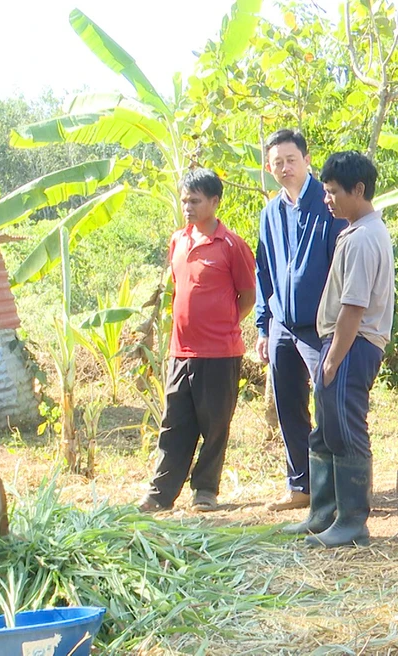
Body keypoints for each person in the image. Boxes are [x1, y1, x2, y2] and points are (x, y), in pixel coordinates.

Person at [284, 151, 394, 547]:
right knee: (326, 430)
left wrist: (331, 359)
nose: (326, 198)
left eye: (332, 192)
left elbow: (354, 307)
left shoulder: (365, 237)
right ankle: (324, 513)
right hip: (342, 342)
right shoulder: (353, 230)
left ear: (358, 190)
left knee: (345, 429)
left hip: (353, 343)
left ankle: (351, 522)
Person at [139, 168, 257, 513]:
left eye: (195, 200)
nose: (187, 206)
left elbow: (247, 296)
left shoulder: (232, 245)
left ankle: (205, 490)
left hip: (220, 353)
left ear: (215, 202)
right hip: (181, 351)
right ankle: (160, 495)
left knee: (215, 424)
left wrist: (224, 324)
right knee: (174, 424)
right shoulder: (178, 241)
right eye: (184, 199)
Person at [255, 130, 347, 512]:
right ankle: (301, 486)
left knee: (330, 401)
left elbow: (342, 266)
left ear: (307, 160)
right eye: (277, 162)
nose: (285, 168)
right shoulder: (270, 212)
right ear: (269, 167)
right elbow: (263, 271)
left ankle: (343, 485)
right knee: (288, 404)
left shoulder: (326, 204)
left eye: (291, 160)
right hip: (281, 325)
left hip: (320, 326)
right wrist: (263, 325)